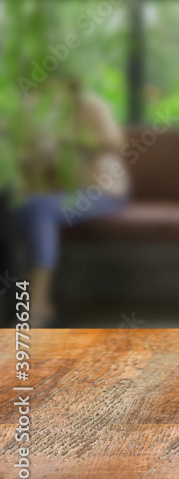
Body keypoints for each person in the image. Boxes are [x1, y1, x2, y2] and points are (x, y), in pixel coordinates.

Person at [12, 77, 129, 327]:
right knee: (19, 209)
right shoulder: (40, 117)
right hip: (59, 195)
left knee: (39, 210)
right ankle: (28, 303)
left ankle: (38, 306)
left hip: (102, 191)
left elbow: (115, 141)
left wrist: (69, 140)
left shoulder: (90, 106)